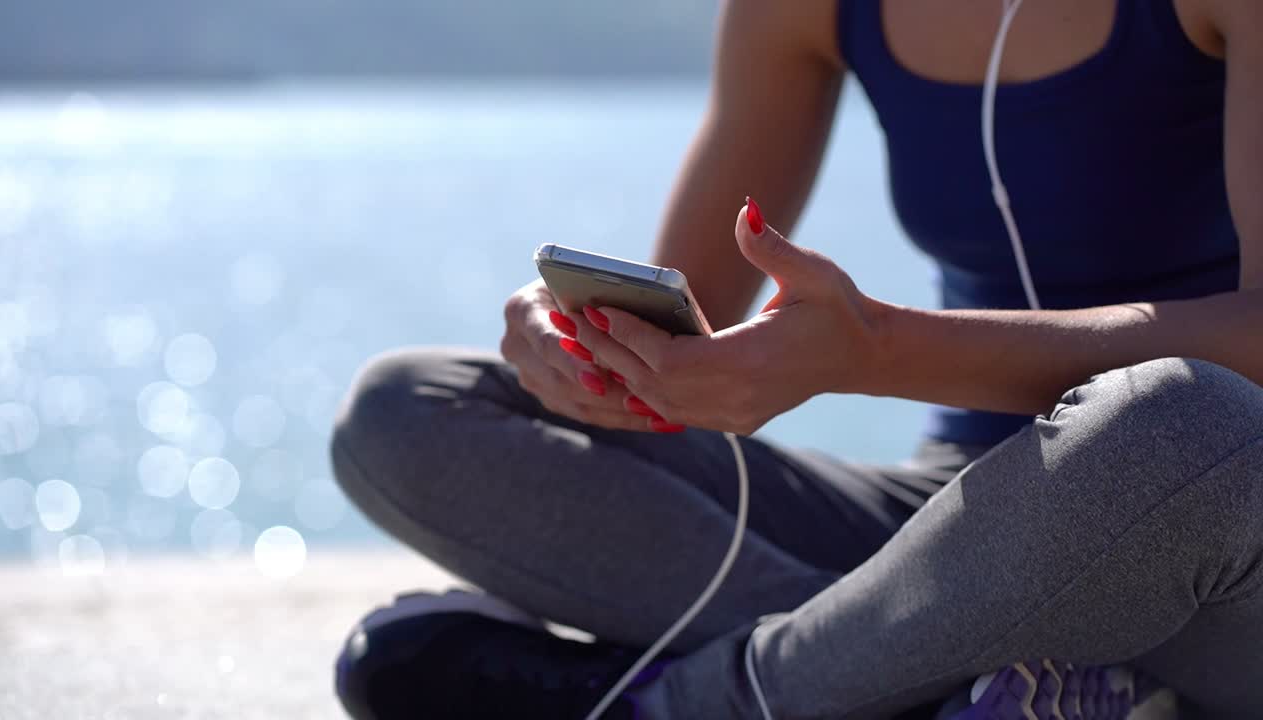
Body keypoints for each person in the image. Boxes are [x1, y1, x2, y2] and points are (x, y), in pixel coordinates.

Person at [328, 0, 1263, 718]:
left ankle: (700, 700)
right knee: (407, 410)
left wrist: (875, 350)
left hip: (1218, 524)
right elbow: (684, 319)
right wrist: (584, 344)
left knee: (1180, 421)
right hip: (956, 508)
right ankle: (944, 673)